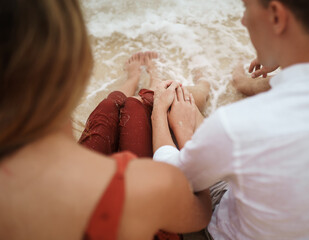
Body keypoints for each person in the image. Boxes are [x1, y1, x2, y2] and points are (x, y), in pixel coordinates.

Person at [0, 1, 212, 239]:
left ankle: (138, 82)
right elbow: (202, 211)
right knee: (141, 103)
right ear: (78, 69)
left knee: (112, 105)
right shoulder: (152, 186)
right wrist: (185, 135)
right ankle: (177, 87)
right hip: (140, 215)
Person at [152, 0, 309, 239]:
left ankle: (196, 100)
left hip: (230, 231)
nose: (243, 20)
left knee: (181, 115)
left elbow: (173, 178)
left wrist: (160, 110)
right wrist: (287, 55)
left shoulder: (238, 125)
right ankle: (232, 85)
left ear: (276, 17)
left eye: (246, 8)